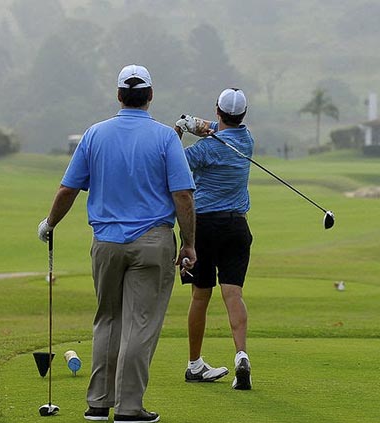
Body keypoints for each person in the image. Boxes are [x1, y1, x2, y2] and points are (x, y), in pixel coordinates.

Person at [37, 64, 197, 423]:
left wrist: (50, 224)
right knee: (140, 323)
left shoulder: (94, 135)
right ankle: (129, 408)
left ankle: (98, 403)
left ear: (119, 95)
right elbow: (183, 196)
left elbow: (68, 189)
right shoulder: (165, 137)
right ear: (150, 96)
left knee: (108, 320)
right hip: (153, 241)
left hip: (105, 243)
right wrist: (189, 244)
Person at [174, 88, 254, 390]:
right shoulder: (247, 140)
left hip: (204, 226)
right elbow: (222, 129)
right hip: (236, 227)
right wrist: (201, 125)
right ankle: (241, 355)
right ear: (243, 115)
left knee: (200, 296)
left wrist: (182, 128)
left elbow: (172, 162)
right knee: (233, 294)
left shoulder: (206, 150)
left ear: (218, 111)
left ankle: (195, 364)